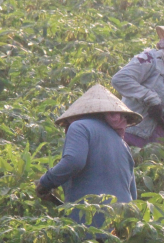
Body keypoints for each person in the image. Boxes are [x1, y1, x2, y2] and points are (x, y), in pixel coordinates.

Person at [35, 84, 142, 227]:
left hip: (90, 221)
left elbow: (73, 162)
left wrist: (46, 182)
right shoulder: (123, 145)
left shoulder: (79, 127)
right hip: (122, 223)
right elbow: (132, 194)